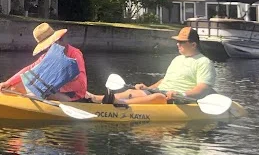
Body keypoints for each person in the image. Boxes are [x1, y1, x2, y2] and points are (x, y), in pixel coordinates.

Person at [87, 26, 215, 105]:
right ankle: (96, 98)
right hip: (162, 92)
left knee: (158, 97)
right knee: (132, 91)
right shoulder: (177, 59)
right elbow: (165, 80)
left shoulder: (204, 62)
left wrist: (182, 94)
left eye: (182, 42)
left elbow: (202, 89)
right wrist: (148, 87)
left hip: (179, 98)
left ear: (193, 45)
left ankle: (119, 103)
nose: (178, 44)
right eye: (177, 41)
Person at [0, 23, 87, 102]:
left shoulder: (75, 54)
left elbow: (82, 83)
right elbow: (29, 69)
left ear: (58, 40)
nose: (48, 49)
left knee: (37, 92)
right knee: (15, 87)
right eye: (47, 46)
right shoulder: (47, 55)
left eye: (50, 45)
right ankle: (0, 95)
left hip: (73, 96)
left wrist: (55, 87)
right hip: (53, 91)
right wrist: (8, 82)